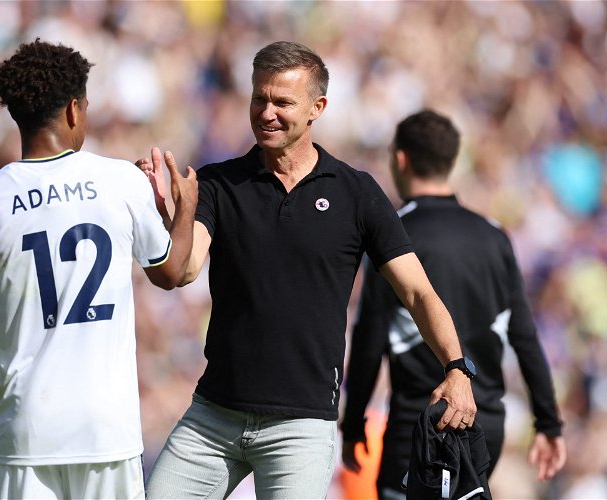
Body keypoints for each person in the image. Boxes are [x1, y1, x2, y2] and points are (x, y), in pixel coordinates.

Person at [137, 41, 476, 499]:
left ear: (317, 108)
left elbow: (418, 292)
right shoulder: (219, 183)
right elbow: (183, 271)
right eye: (259, 98)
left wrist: (457, 368)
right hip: (213, 417)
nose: (266, 112)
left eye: (282, 102)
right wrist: (170, 215)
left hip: (301, 427)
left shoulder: (356, 193)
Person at [0, 39, 198, 499]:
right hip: (108, 433)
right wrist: (183, 212)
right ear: (73, 110)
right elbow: (170, 274)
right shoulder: (122, 181)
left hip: (24, 437)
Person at [341, 110, 566, 499]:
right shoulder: (494, 236)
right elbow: (525, 338)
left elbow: (369, 338)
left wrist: (354, 421)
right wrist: (548, 422)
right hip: (484, 423)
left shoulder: (392, 233)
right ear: (452, 161)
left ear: (401, 159)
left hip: (419, 422)